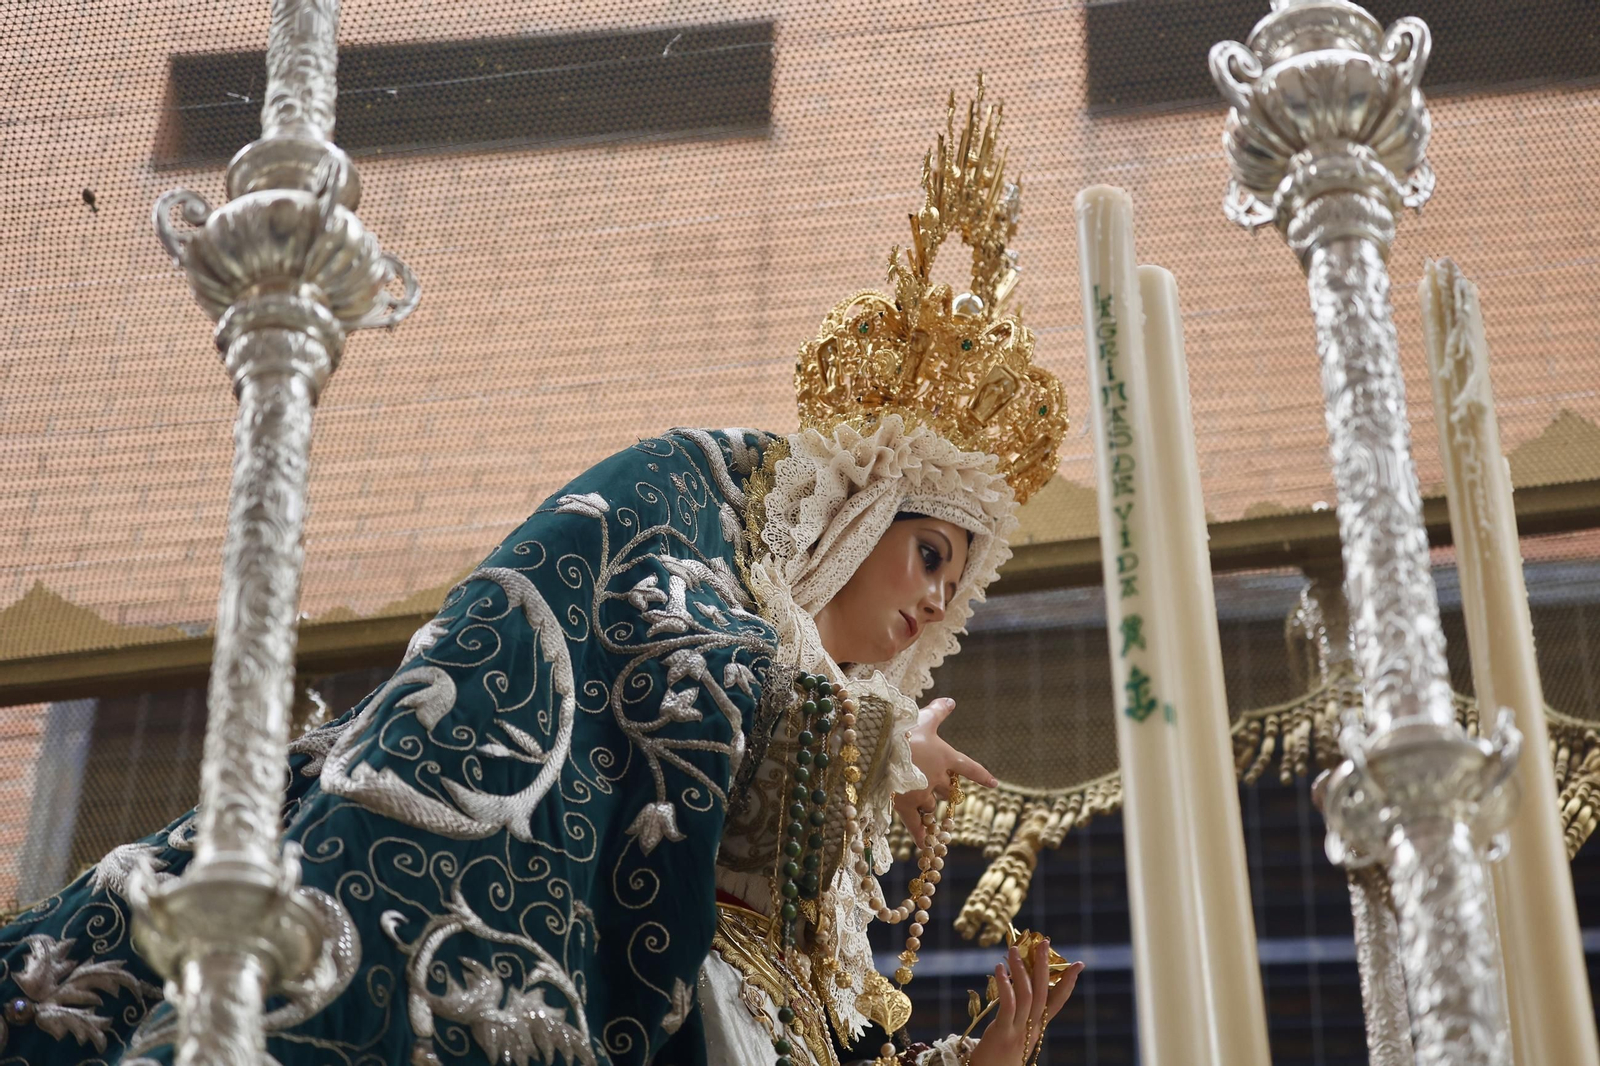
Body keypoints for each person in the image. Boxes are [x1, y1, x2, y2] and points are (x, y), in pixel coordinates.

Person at [0, 81, 1079, 1066]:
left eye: (958, 583)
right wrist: (866, 739)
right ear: (856, 510)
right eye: (930, 550)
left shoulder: (814, 753)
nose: (939, 598)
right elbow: (651, 653)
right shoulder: (694, 505)